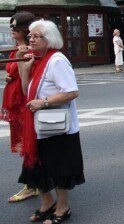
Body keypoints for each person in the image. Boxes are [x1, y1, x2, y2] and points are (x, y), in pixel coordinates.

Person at [16, 20, 85, 223]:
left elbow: (72, 92)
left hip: (56, 126)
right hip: (38, 126)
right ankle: (47, 203)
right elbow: (26, 91)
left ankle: (62, 208)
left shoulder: (56, 61)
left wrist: (44, 102)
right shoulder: (39, 60)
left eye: (37, 36)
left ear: (50, 39)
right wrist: (22, 65)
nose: (31, 39)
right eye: (30, 36)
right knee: (37, 168)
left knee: (58, 169)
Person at [1, 12, 39, 203]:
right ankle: (37, 182)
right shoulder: (18, 48)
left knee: (28, 144)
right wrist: (9, 76)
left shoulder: (29, 50)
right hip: (15, 101)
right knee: (25, 144)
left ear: (24, 28)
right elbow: (12, 70)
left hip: (24, 101)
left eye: (15, 27)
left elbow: (30, 77)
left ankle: (32, 185)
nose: (11, 30)